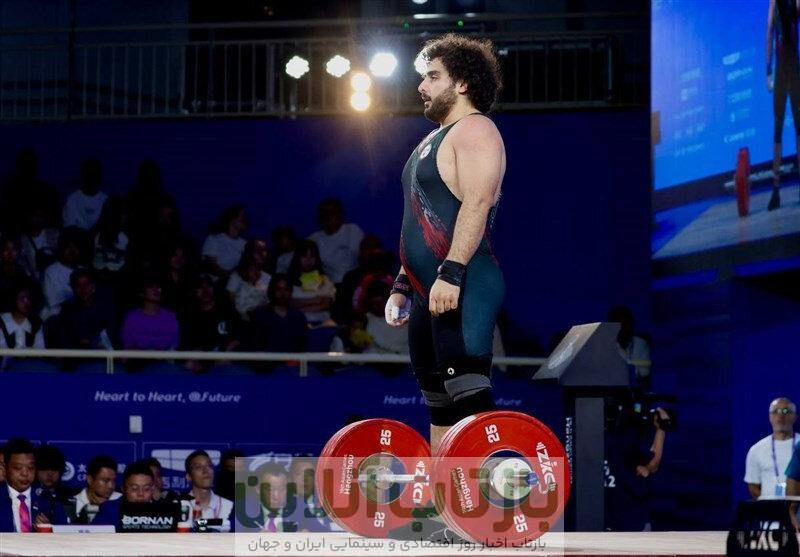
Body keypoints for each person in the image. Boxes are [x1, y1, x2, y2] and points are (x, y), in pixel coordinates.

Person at [384, 34, 505, 454]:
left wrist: (452, 271)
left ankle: (494, 491)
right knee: (438, 402)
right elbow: (420, 220)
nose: (422, 86)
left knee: (468, 395)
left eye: (433, 76)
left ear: (463, 83)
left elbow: (477, 201)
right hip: (428, 288)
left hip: (464, 280)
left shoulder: (476, 129)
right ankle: (446, 493)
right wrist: (403, 283)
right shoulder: (431, 140)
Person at [604, 405, 670, 531]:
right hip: (604, 520)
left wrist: (661, 429)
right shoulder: (606, 441)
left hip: (631, 522)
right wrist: (661, 428)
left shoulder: (629, 445)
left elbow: (652, 465)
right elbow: (653, 464)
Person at [767, 0, 800, 210]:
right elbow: (769, 33)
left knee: (799, 130)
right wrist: (768, 71)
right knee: (779, 131)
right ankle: (776, 190)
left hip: (793, 72)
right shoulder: (774, 3)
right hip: (783, 74)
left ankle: (779, 190)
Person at [0, 438, 66, 532]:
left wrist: (51, 531)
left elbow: (66, 534)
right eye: (18, 468)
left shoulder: (48, 499)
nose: (25, 473)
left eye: (30, 468)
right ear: (5, 469)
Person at [745, 397, 798, 499]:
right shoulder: (756, 449)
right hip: (768, 507)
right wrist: (768, 504)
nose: (781, 416)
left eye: (786, 411)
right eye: (775, 411)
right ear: (770, 416)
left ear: (795, 416)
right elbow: (753, 486)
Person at [308, 198, 364, 285]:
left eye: (332, 213)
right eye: (324, 214)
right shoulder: (314, 239)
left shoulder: (353, 231)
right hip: (329, 286)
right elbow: (306, 267)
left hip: (356, 282)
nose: (328, 217)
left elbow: (366, 258)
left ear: (340, 215)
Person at [121, 275, 179, 351]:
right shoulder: (131, 318)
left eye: (158, 286)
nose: (156, 290)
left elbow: (172, 346)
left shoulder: (170, 317)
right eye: (151, 286)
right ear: (142, 293)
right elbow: (128, 346)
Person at [92, 461, 156, 527]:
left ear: (153, 488)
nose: (141, 494)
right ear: (123, 489)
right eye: (134, 489)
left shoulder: (161, 511)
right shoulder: (110, 510)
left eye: (146, 489)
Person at [287, 240, 336, 326]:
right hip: (297, 323)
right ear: (297, 257)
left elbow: (325, 305)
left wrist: (299, 307)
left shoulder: (325, 279)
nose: (309, 260)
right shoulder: (288, 280)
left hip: (323, 322)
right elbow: (289, 303)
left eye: (312, 256)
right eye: (304, 256)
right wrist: (315, 300)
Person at [183, 450, 234, 531]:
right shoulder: (179, 506)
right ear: (189, 477)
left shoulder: (230, 506)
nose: (206, 471)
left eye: (209, 466)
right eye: (198, 467)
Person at [226, 239, 271, 320]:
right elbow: (231, 302)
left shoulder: (268, 277)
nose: (261, 253)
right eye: (257, 250)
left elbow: (269, 302)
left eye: (264, 250)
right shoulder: (236, 276)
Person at [608, 305, 652, 389]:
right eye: (620, 325)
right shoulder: (605, 346)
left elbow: (645, 374)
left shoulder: (641, 343)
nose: (624, 328)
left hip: (636, 391)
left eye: (627, 324)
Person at [201, 205, 248, 279]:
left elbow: (243, 266)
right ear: (231, 219)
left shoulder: (244, 244)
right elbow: (211, 266)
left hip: (232, 283)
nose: (245, 220)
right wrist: (227, 276)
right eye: (241, 217)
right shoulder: (214, 239)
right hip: (211, 281)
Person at [72, 455, 121, 523]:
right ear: (90, 480)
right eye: (105, 481)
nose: (111, 486)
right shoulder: (72, 505)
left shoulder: (121, 500)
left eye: (113, 481)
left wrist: (105, 507)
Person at [63, 158, 108, 230]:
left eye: (94, 174)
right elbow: (70, 228)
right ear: (83, 176)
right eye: (89, 174)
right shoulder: (72, 199)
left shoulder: (106, 200)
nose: (92, 178)